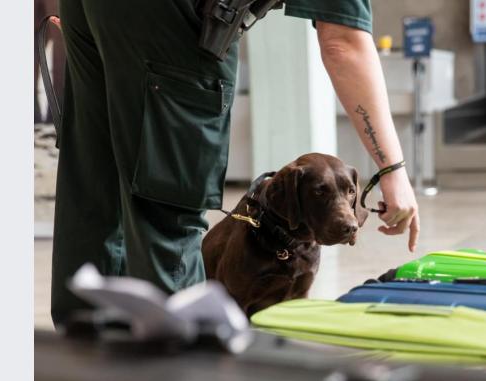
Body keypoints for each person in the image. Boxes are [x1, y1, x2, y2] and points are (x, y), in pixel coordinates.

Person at [50, 0, 420, 326]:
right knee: (167, 212)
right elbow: (343, 44)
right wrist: (392, 169)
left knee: (93, 186)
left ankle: (84, 367)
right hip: (176, 19)